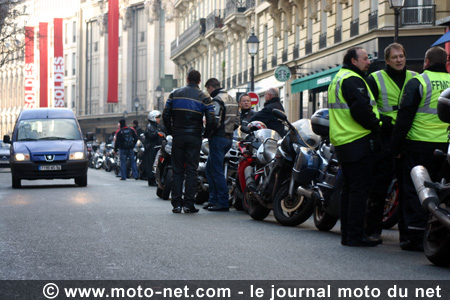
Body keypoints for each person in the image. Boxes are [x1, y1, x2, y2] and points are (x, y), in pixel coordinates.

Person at [390, 46, 450, 252]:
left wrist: (395, 147)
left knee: (416, 191)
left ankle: (414, 236)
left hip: (419, 146)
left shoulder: (418, 81)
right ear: (446, 62)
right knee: (443, 192)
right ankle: (436, 233)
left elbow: (404, 117)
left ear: (426, 62)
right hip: (446, 147)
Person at [328, 46, 382, 247]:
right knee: (359, 190)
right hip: (357, 140)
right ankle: (355, 235)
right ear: (354, 61)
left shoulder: (338, 78)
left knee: (349, 190)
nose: (368, 62)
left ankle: (348, 234)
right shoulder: (353, 79)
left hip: (343, 141)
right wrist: (377, 124)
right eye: (365, 58)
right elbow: (361, 110)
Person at [364, 43, 417, 242]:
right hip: (384, 137)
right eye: (394, 57)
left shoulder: (415, 77)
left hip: (407, 136)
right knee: (379, 187)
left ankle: (407, 233)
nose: (399, 60)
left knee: (407, 188)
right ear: (387, 60)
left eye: (401, 56)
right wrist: (381, 122)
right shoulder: (375, 79)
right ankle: (373, 230)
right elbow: (368, 106)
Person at [163, 70, 215, 213]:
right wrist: (206, 134)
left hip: (178, 135)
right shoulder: (204, 96)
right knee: (192, 170)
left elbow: (165, 115)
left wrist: (171, 130)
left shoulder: (175, 94)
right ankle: (188, 204)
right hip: (194, 136)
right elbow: (211, 119)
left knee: (177, 170)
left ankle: (176, 204)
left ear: (187, 79)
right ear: (199, 81)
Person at [203, 78, 240, 211]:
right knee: (210, 168)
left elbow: (214, 120)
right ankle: (213, 200)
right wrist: (228, 130)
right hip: (228, 138)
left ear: (211, 87)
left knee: (216, 170)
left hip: (218, 138)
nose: (208, 92)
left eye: (207, 89)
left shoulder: (217, 100)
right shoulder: (232, 99)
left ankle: (222, 202)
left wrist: (207, 133)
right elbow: (237, 120)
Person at [144, 110, 163, 186]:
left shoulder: (155, 126)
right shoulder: (150, 126)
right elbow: (151, 135)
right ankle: (151, 179)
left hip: (155, 147)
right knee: (152, 163)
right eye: (157, 118)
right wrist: (158, 133)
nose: (158, 119)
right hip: (151, 148)